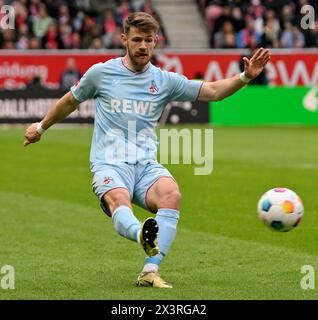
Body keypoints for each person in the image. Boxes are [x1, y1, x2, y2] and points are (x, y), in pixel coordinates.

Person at [24, 12, 271, 289]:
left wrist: (245, 77)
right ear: (124, 40)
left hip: (144, 166)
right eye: (137, 39)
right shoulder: (101, 73)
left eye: (148, 40)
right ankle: (141, 232)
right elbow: (70, 102)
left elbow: (212, 91)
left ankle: (149, 271)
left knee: (171, 194)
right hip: (109, 163)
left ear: (156, 42)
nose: (143, 46)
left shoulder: (164, 81)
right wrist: (41, 127)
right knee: (119, 199)